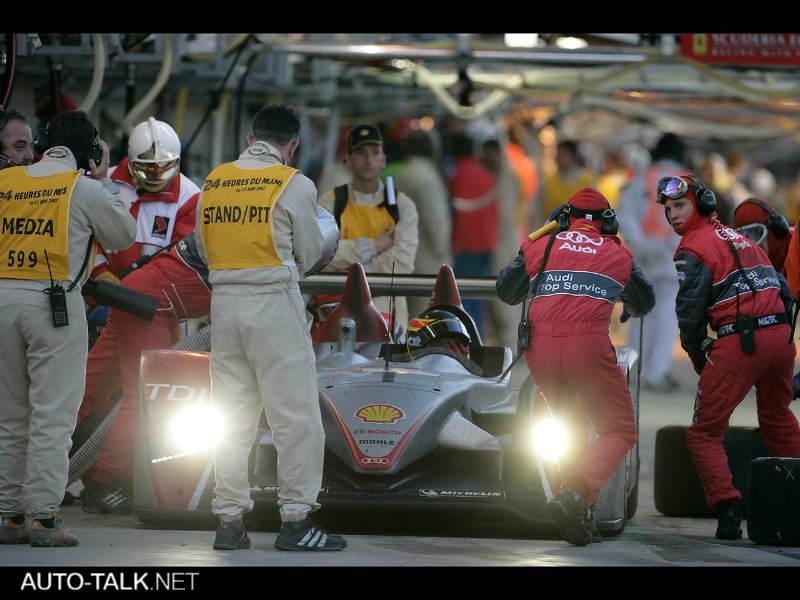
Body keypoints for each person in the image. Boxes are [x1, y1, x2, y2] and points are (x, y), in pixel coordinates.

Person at [195, 103, 347, 552]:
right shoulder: (294, 184)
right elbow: (308, 253)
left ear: (250, 138)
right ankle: (296, 522)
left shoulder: (214, 181)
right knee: (296, 420)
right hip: (273, 307)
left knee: (230, 419)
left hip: (223, 307)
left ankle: (229, 523)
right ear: (292, 146)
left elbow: (204, 249)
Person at [0, 109, 136, 546]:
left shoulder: (6, 182)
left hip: (3, 302)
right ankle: (42, 518)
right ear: (91, 153)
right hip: (53, 306)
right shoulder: (83, 187)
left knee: (10, 416)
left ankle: (7, 515)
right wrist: (104, 180)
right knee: (52, 418)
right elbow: (122, 235)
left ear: (39, 145)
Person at [496, 187, 655, 547]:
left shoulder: (541, 244)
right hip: (588, 347)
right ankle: (575, 493)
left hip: (541, 350)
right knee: (619, 430)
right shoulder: (618, 253)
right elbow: (645, 302)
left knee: (570, 427)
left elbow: (506, 291)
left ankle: (579, 517)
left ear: (562, 218)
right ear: (608, 223)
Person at [657, 174, 800, 540]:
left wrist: (697, 355)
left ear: (701, 204)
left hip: (742, 341)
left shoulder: (692, 248)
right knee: (778, 417)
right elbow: (782, 289)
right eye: (669, 209)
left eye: (680, 205)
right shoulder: (741, 238)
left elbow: (689, 313)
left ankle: (728, 508)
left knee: (704, 432)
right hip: (781, 340)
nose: (673, 215)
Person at [75, 231, 212, 514]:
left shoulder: (223, 216)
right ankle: (104, 482)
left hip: (139, 294)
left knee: (86, 386)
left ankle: (37, 471)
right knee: (145, 399)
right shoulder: (261, 245)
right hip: (150, 304)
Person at [317, 123, 419, 334]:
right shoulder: (330, 203)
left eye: (375, 152)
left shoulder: (402, 206)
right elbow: (319, 254)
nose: (369, 159)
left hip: (389, 315)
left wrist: (347, 270)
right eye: (361, 153)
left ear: (383, 159)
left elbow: (402, 263)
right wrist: (374, 246)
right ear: (347, 159)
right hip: (335, 314)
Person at [90, 117, 199, 289]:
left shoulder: (189, 199)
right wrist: (99, 271)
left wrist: (142, 286)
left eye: (164, 169)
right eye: (147, 170)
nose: (156, 177)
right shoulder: (103, 182)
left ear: (177, 163)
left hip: (155, 300)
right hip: (98, 294)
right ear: (132, 163)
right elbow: (87, 234)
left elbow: (181, 259)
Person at [616, 132, 687, 393]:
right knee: (667, 314)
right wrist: (668, 245)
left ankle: (634, 372)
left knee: (638, 314)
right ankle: (657, 374)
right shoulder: (687, 181)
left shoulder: (642, 179)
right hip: (672, 258)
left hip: (643, 258)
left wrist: (642, 244)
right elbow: (692, 220)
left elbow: (625, 213)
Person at [395, 129, 453, 318]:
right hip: (427, 256)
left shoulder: (405, 173)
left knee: (412, 312)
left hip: (408, 251)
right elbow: (436, 220)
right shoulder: (427, 176)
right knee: (426, 312)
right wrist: (442, 251)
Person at [447, 131, 499, 339]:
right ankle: (480, 336)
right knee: (479, 294)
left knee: (464, 295)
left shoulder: (457, 175)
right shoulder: (486, 174)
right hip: (487, 242)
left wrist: (455, 245)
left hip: (466, 244)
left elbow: (461, 214)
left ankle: (469, 338)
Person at [536, 139, 596, 228]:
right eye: (558, 155)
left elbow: (595, 206)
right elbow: (538, 210)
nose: (559, 158)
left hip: (580, 231)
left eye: (563, 154)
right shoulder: (548, 181)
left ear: (572, 156)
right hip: (553, 231)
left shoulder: (587, 180)